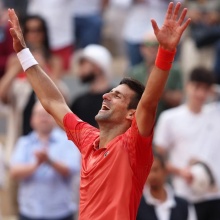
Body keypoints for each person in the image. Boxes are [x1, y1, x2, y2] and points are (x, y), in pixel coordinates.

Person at [8, 2, 191, 219]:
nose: (106, 95)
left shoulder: (133, 145)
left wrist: (166, 52)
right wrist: (23, 53)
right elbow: (52, 101)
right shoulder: (87, 139)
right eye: (110, 92)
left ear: (131, 114)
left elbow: (149, 101)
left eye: (117, 96)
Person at [154, 67, 220, 220]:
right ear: (188, 86)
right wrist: (181, 171)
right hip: (185, 194)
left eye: (206, 89)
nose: (201, 94)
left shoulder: (216, 114)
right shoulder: (170, 118)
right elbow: (158, 157)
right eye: (197, 87)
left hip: (215, 194)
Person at [10, 102, 80, 220]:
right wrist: (36, 164)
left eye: (47, 115)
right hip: (29, 213)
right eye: (39, 114)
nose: (43, 118)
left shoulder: (67, 142)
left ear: (54, 119)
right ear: (32, 119)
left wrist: (49, 161)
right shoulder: (24, 143)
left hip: (60, 214)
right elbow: (14, 172)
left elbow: (73, 169)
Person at [128, 31, 183, 120]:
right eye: (148, 44)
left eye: (156, 44)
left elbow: (178, 100)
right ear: (142, 48)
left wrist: (158, 85)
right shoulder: (134, 72)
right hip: (142, 122)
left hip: (167, 121)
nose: (152, 48)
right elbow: (130, 103)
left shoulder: (174, 70)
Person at [137, 152, 197, 220]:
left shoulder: (183, 205)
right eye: (147, 171)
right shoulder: (136, 206)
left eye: (155, 170)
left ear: (165, 170)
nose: (152, 175)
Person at [70, 44, 113, 127]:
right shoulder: (78, 102)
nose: (80, 68)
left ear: (96, 67)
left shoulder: (115, 100)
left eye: (83, 63)